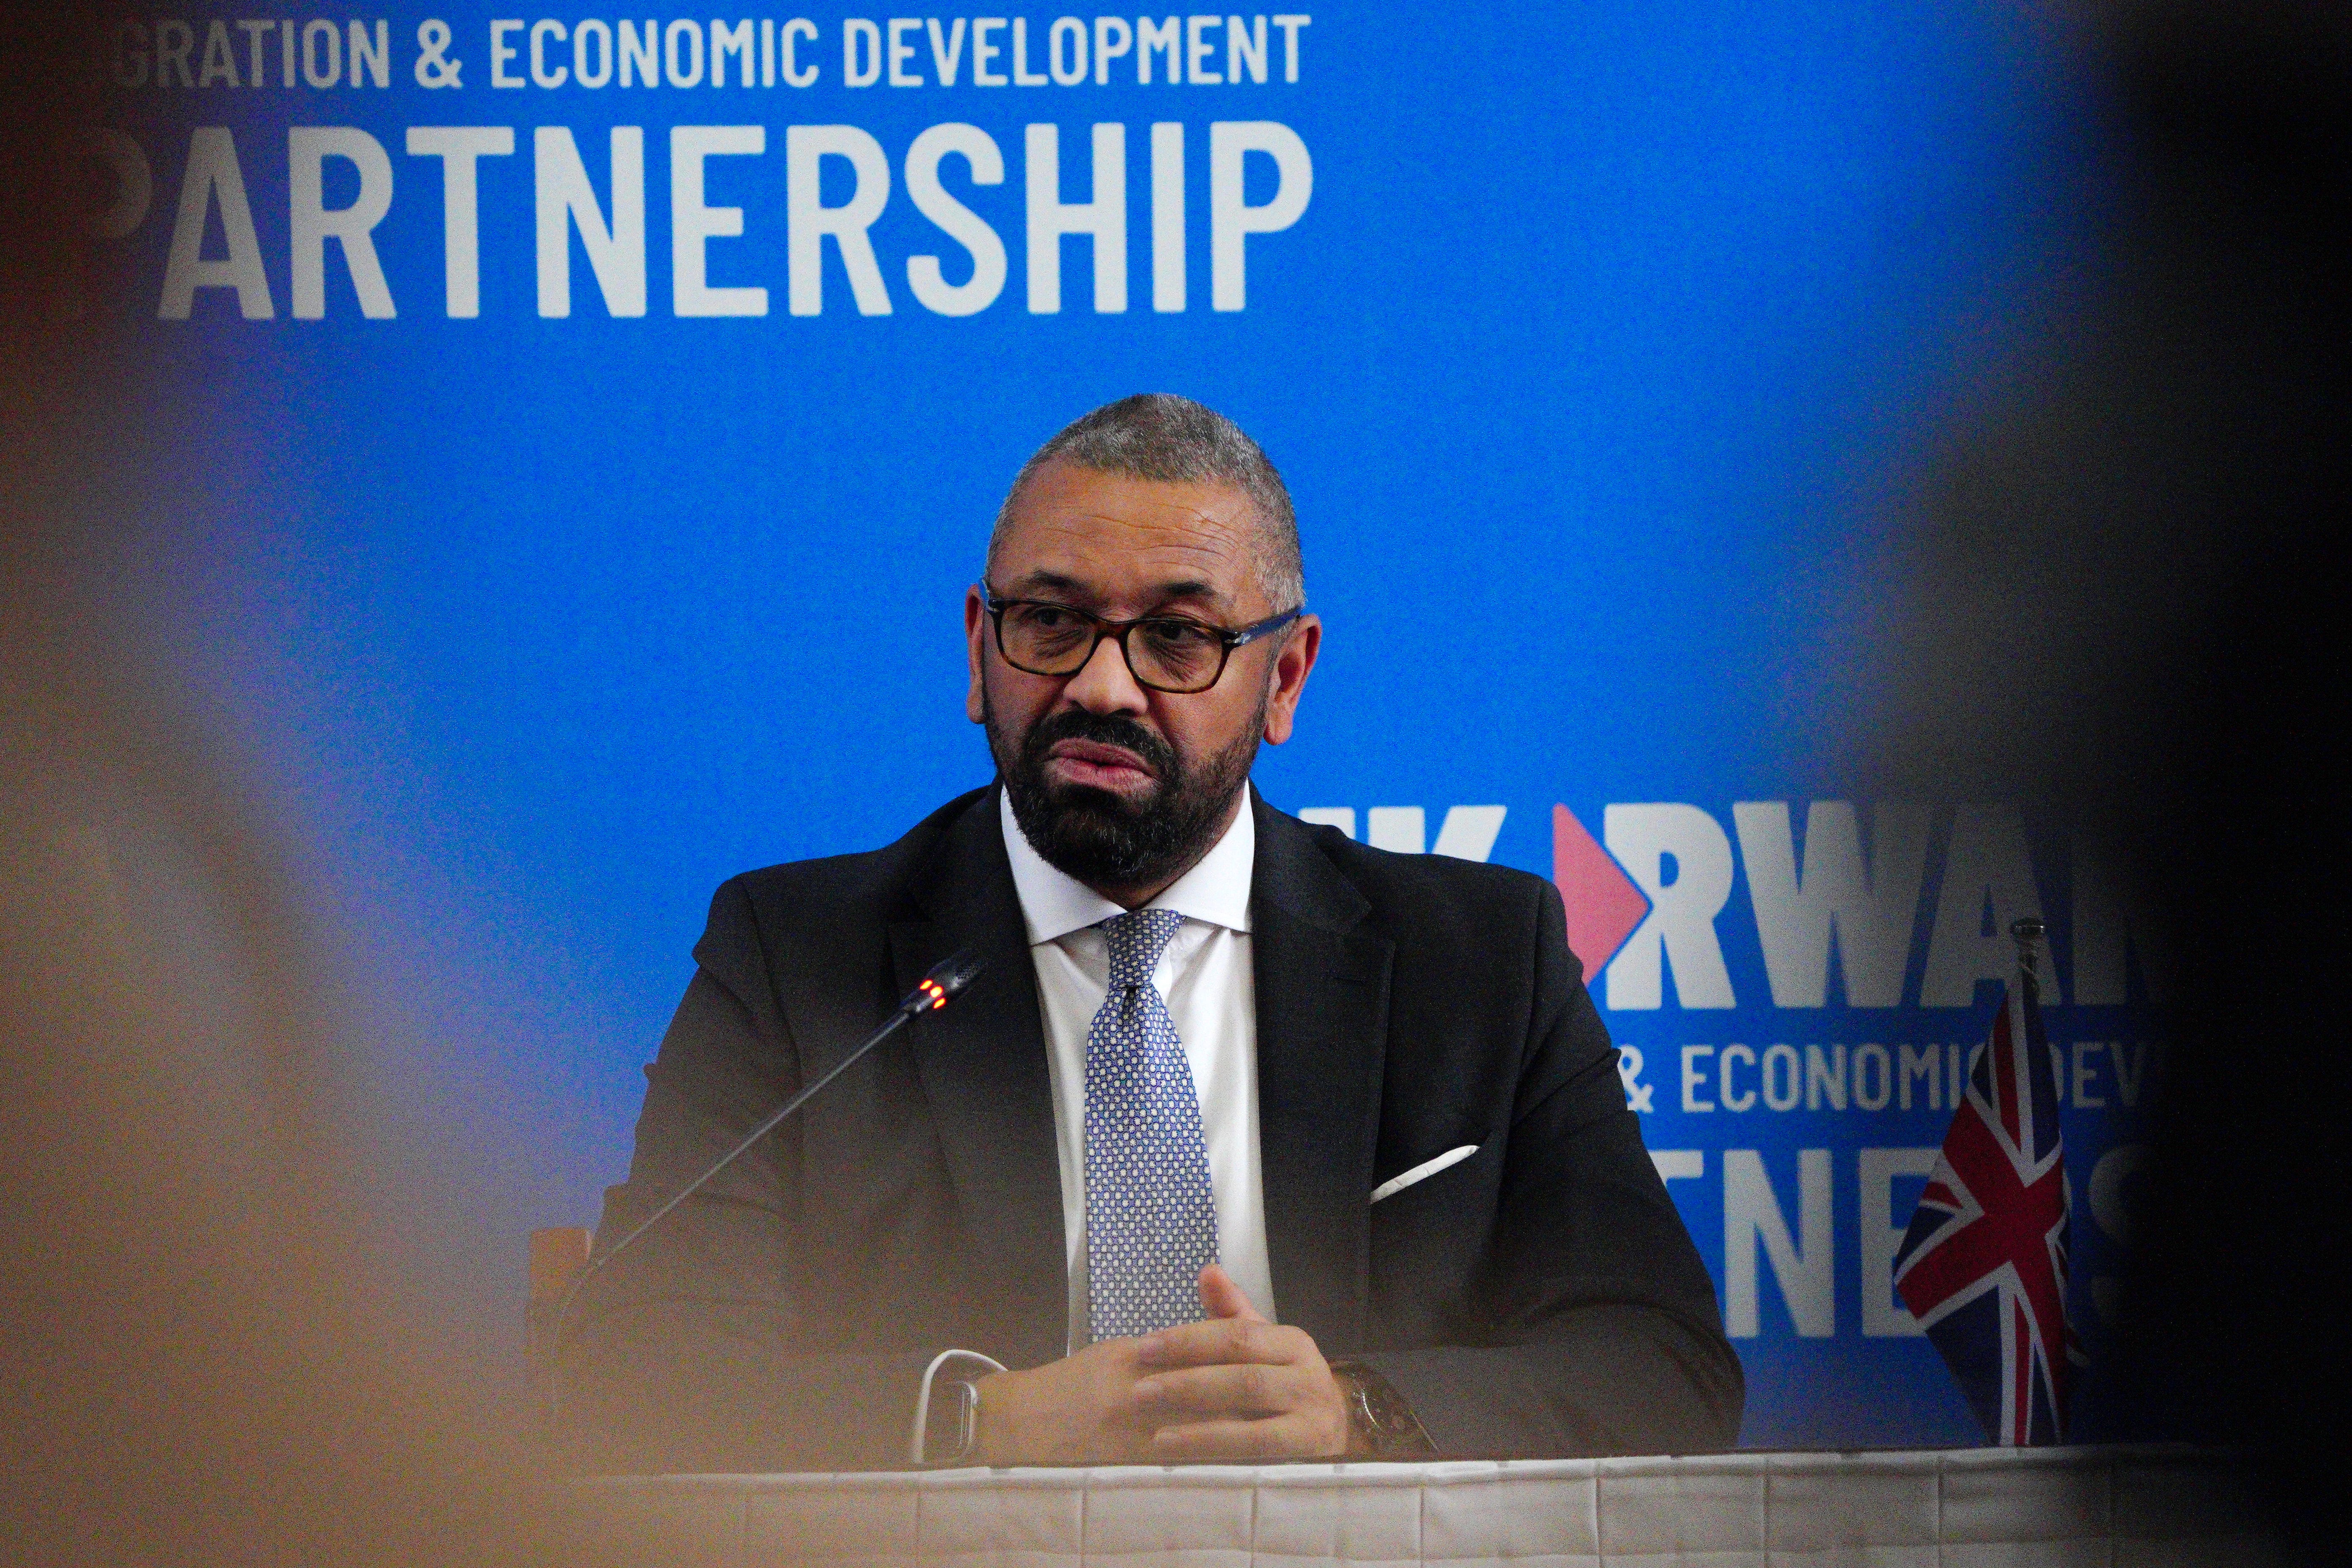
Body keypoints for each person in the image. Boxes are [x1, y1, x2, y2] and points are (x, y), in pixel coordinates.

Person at [559, 395, 1741, 1471]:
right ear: (980, 648)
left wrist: (1356, 1412)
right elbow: (640, 1366)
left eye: (1179, 637)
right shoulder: (796, 955)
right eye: (1051, 623)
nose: (1104, 687)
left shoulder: (1481, 961)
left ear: (1285, 679)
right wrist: (985, 1422)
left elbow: (1660, 1367)